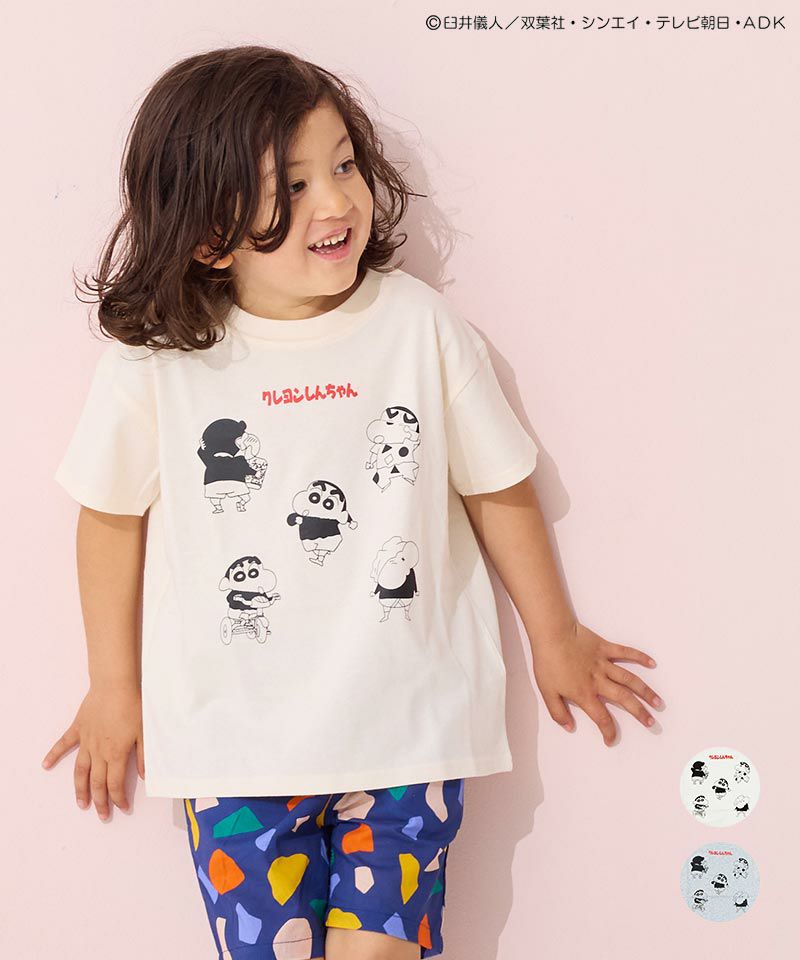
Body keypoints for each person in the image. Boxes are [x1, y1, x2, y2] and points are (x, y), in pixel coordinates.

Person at [42, 45, 663, 960]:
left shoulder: (416, 325)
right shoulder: (159, 364)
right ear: (209, 233)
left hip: (408, 733)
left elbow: (496, 485)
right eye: (290, 188)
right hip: (235, 750)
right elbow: (107, 517)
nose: (335, 202)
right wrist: (113, 687)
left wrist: (556, 635)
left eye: (342, 165)